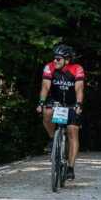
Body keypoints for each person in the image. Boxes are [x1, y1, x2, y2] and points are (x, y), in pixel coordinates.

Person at [36, 44, 84, 180]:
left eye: (58, 59)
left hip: (71, 103)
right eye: (54, 58)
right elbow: (45, 86)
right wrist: (41, 102)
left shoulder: (77, 69)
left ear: (67, 60)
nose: (55, 61)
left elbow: (79, 88)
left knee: (72, 131)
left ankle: (70, 167)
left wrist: (79, 104)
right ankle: (52, 138)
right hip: (55, 100)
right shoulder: (49, 67)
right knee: (46, 112)